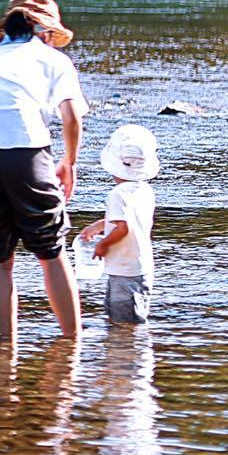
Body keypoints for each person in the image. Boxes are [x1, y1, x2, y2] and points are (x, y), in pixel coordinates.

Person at [0, 0, 86, 339]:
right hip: (26, 151)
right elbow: (72, 118)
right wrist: (69, 162)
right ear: (45, 31)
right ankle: (71, 345)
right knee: (51, 249)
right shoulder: (52, 60)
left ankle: (4, 348)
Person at [79, 124, 158, 325]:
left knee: (124, 323)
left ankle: (125, 353)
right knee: (132, 317)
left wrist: (103, 245)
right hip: (141, 267)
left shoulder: (117, 195)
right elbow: (130, 220)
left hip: (123, 270)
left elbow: (123, 228)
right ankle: (131, 353)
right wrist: (99, 226)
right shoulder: (144, 190)